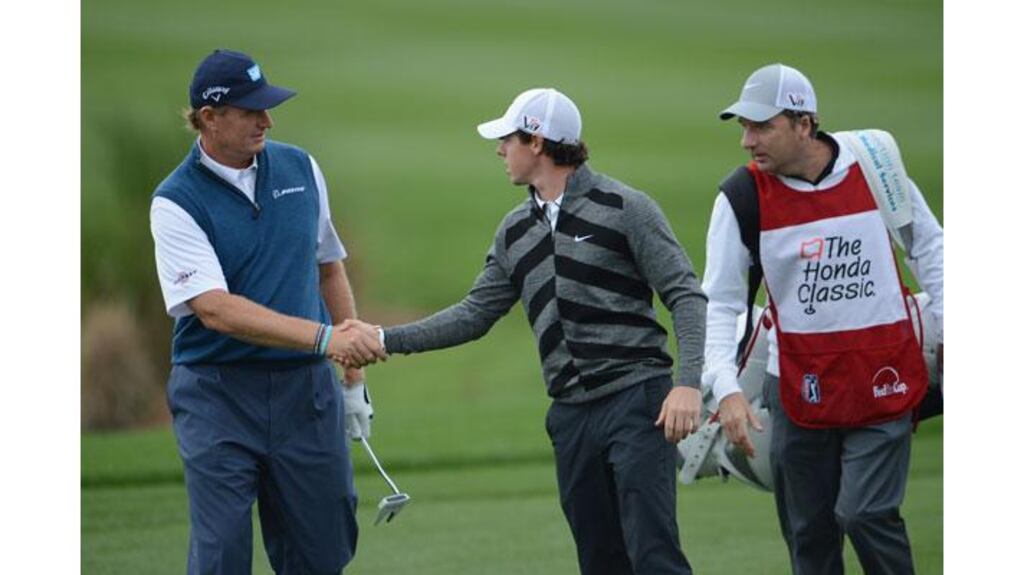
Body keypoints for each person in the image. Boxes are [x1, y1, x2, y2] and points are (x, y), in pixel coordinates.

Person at [343, 88, 707, 575]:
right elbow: (475, 314)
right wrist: (386, 338)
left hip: (637, 402)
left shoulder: (626, 208)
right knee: (600, 561)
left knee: (654, 556)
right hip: (571, 417)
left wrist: (688, 383)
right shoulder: (515, 230)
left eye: (507, 139)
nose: (499, 150)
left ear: (537, 142)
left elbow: (685, 293)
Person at [149, 48, 386, 575]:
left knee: (323, 548)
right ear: (209, 119)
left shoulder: (301, 167)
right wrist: (326, 341)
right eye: (251, 110)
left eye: (268, 107)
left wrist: (352, 380)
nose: (267, 120)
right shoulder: (175, 201)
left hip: (305, 393)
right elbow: (215, 309)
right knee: (222, 552)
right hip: (218, 392)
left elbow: (329, 267)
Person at [702, 63, 944, 574]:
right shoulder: (741, 197)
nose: (747, 141)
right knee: (809, 535)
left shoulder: (875, 163)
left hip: (885, 375)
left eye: (762, 126)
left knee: (866, 514)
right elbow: (721, 303)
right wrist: (725, 387)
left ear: (804, 124)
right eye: (742, 127)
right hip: (795, 389)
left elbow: (930, 247)